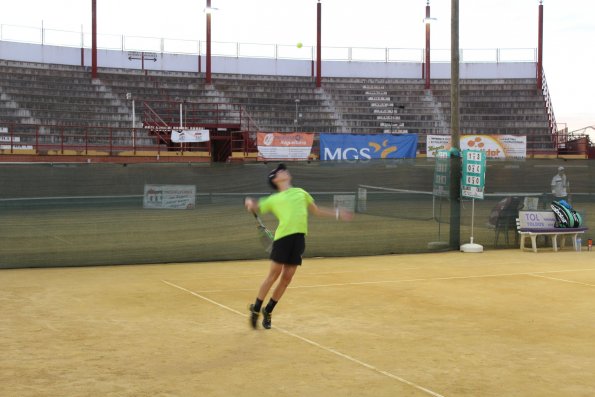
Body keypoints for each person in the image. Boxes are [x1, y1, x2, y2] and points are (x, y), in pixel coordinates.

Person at [244, 163, 353, 330]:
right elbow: (256, 206)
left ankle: (268, 310)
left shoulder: (301, 193)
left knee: (287, 278)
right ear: (275, 179)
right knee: (274, 275)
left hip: (299, 239)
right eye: (280, 171)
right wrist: (249, 203)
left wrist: (337, 213)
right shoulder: (273, 199)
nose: (284, 171)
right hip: (282, 239)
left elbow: (316, 211)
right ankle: (256, 308)